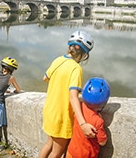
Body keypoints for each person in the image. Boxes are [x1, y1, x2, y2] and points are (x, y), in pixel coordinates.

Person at [38, 30, 96, 158]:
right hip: (61, 116)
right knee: (57, 152)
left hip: (50, 111)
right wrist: (83, 124)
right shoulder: (76, 68)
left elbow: (45, 78)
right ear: (84, 54)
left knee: (48, 144)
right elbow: (73, 96)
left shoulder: (58, 60)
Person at [66, 77, 111, 158]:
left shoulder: (79, 107)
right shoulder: (98, 120)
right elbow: (102, 142)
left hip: (71, 151)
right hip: (87, 155)